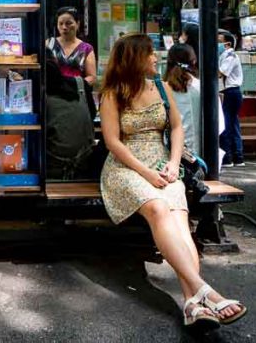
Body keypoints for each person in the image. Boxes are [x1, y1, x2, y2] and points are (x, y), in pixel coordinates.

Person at [99, 34, 246, 328]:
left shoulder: (162, 87)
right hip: (126, 167)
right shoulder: (113, 93)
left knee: (181, 222)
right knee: (158, 209)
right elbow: (113, 142)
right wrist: (146, 172)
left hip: (165, 165)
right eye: (151, 53)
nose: (156, 58)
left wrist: (173, 163)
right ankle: (206, 292)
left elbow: (176, 129)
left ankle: (193, 304)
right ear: (134, 57)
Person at [45, 6, 97, 179]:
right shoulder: (48, 43)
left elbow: (92, 77)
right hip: (52, 99)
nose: (65, 27)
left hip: (77, 97)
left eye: (69, 23)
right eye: (61, 24)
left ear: (78, 24)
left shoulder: (86, 48)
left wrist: (74, 83)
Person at [165, 44, 201, 158]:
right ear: (194, 61)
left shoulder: (161, 88)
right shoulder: (201, 87)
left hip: (166, 152)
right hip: (199, 155)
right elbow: (219, 125)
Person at [217, 30, 245, 167]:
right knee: (233, 124)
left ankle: (228, 157)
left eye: (219, 41)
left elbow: (220, 73)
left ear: (227, 44)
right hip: (230, 92)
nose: (217, 44)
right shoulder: (224, 55)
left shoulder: (230, 56)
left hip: (230, 92)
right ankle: (238, 156)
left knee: (227, 124)